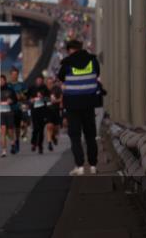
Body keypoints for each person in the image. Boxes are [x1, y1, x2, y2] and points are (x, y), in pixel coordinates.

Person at [57, 39, 101, 176]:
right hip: (88, 103)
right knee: (90, 136)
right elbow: (97, 74)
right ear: (80, 48)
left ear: (70, 50)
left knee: (75, 136)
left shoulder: (67, 63)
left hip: (73, 105)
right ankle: (93, 165)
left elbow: (61, 77)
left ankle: (80, 166)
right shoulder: (93, 61)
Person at [7, 67, 28, 152]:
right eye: (13, 74)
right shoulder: (7, 85)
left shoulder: (22, 84)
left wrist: (21, 96)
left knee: (17, 128)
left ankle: (17, 141)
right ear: (10, 75)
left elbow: (26, 96)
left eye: (16, 74)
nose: (14, 76)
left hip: (19, 107)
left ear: (18, 75)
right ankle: (12, 143)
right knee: (10, 127)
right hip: (9, 108)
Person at [28, 75, 49, 154]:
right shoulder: (31, 88)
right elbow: (27, 99)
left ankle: (40, 146)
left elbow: (49, 98)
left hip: (43, 111)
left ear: (42, 81)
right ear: (36, 80)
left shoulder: (45, 88)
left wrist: (42, 97)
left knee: (41, 129)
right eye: (38, 80)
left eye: (41, 80)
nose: (39, 81)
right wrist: (31, 100)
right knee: (36, 128)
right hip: (34, 110)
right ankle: (33, 143)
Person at [0, 74, 17, 157]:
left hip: (9, 112)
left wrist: (11, 101)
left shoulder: (10, 90)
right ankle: (4, 151)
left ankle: (12, 142)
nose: (1, 82)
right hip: (1, 114)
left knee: (10, 131)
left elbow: (15, 100)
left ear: (5, 81)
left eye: (2, 80)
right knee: (3, 131)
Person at [46, 76, 63, 151]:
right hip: (48, 111)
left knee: (56, 128)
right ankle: (49, 143)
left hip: (56, 110)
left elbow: (61, 99)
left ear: (53, 83)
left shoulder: (57, 89)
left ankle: (53, 136)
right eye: (48, 83)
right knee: (49, 126)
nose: (50, 84)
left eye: (51, 83)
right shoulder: (44, 90)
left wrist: (56, 101)